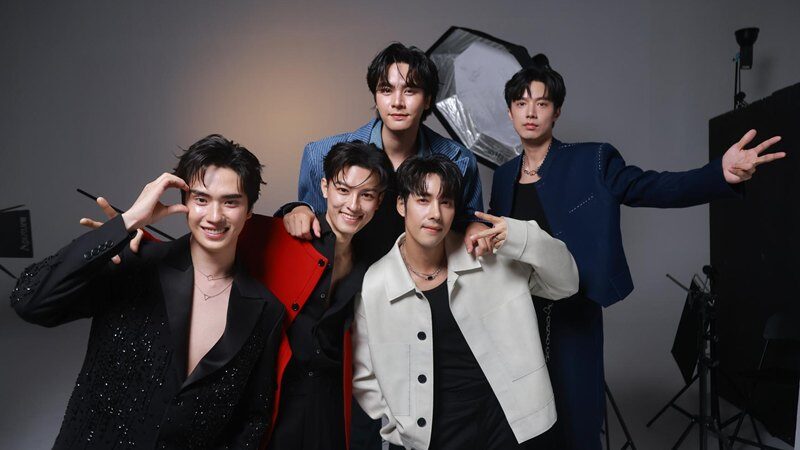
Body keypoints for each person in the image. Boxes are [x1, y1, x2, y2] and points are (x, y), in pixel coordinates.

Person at [488, 55, 786, 449]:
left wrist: (719, 173)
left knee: (577, 421)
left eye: (541, 103)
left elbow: (652, 187)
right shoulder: (504, 176)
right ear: (509, 111)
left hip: (574, 307)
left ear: (556, 111)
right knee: (525, 421)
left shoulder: (590, 160)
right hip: (519, 314)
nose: (530, 112)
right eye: (521, 103)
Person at [10, 134, 285, 449]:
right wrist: (125, 224)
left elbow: (252, 420)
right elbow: (29, 300)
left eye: (231, 202)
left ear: (249, 210)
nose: (214, 216)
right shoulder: (134, 263)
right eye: (201, 199)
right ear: (184, 202)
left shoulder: (266, 310)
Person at [352, 154, 579, 450]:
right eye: (423, 200)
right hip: (435, 436)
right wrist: (401, 427)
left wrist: (520, 236)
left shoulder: (488, 255)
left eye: (445, 202)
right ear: (401, 205)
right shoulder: (376, 282)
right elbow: (364, 374)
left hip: (510, 427)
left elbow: (566, 283)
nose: (435, 213)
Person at [235, 141, 394, 450]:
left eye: (366, 195)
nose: (353, 205)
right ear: (324, 188)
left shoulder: (372, 262)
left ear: (379, 201)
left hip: (328, 404)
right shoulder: (290, 234)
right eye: (343, 190)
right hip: (271, 399)